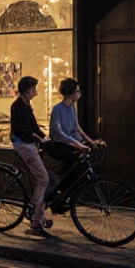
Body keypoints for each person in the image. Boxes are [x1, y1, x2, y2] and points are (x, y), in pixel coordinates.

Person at [46, 78, 102, 210]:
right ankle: (57, 196)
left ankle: (62, 197)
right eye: (77, 91)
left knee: (79, 171)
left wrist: (91, 142)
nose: (79, 94)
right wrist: (77, 144)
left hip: (73, 144)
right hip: (62, 146)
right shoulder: (57, 109)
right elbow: (56, 131)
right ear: (69, 93)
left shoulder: (72, 107)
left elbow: (77, 128)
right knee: (73, 170)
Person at [11, 76, 54, 237]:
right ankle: (35, 218)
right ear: (28, 90)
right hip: (24, 145)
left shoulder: (26, 105)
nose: (36, 92)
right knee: (43, 178)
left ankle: (38, 213)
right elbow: (25, 129)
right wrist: (38, 138)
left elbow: (34, 126)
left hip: (29, 144)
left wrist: (45, 137)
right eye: (34, 89)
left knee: (43, 177)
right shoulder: (18, 106)